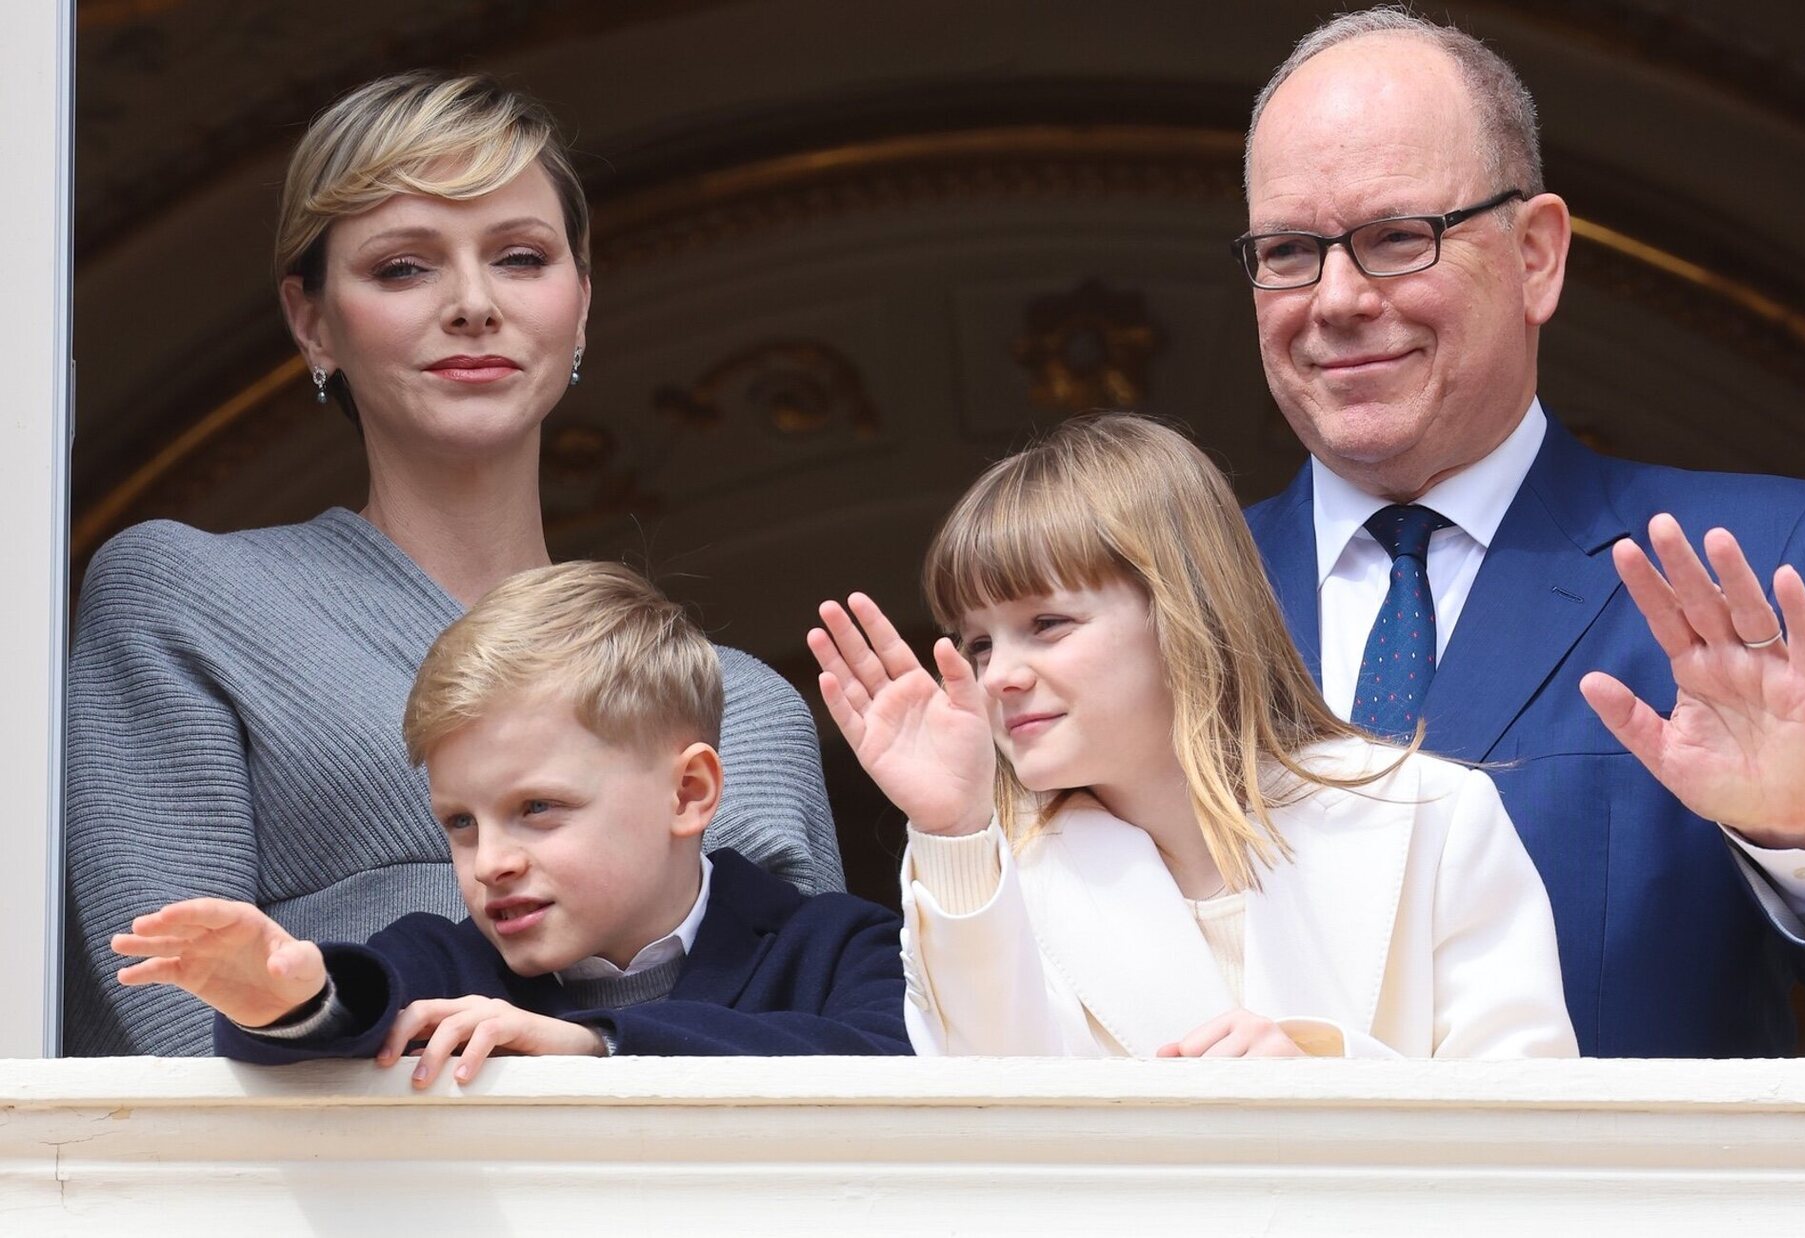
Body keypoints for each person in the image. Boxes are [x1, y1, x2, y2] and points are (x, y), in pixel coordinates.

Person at [1236, 8, 1805, 1055]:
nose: (1334, 298)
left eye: (1394, 237)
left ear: (1536, 256)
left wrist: (1804, 821)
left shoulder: (1752, 561)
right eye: (1287, 250)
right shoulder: (1151, 594)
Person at [66, 73, 844, 1058]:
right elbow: (176, 1017)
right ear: (311, 321)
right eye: (403, 268)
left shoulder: (745, 709)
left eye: (520, 257)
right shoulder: (189, 601)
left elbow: (823, 1076)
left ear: (582, 303)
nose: (474, 304)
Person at [810, 414, 1576, 1058]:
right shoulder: (979, 871)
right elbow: (991, 1124)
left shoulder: (1435, 817)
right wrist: (953, 831)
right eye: (978, 644)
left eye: (1047, 624)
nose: (999, 675)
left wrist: (1330, 1083)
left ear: (1185, 610)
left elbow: (1532, 1143)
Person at [108, 562, 909, 1081]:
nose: (490, 862)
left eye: (537, 809)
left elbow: (894, 1066)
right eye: (460, 822)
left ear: (688, 794)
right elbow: (349, 1019)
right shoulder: (445, 958)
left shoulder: (838, 945)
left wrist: (601, 1044)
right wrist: (293, 997)